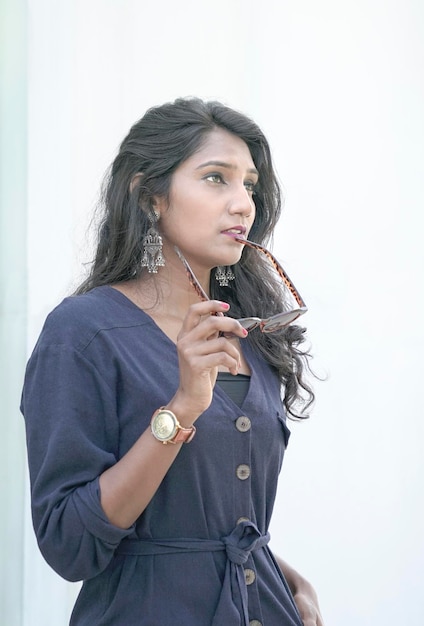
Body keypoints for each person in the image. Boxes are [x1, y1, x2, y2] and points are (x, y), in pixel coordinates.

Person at [21, 97, 324, 626]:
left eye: (249, 185)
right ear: (149, 195)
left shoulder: (250, 333)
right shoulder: (83, 334)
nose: (242, 203)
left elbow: (204, 523)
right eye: (215, 178)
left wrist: (283, 576)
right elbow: (69, 544)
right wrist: (182, 407)